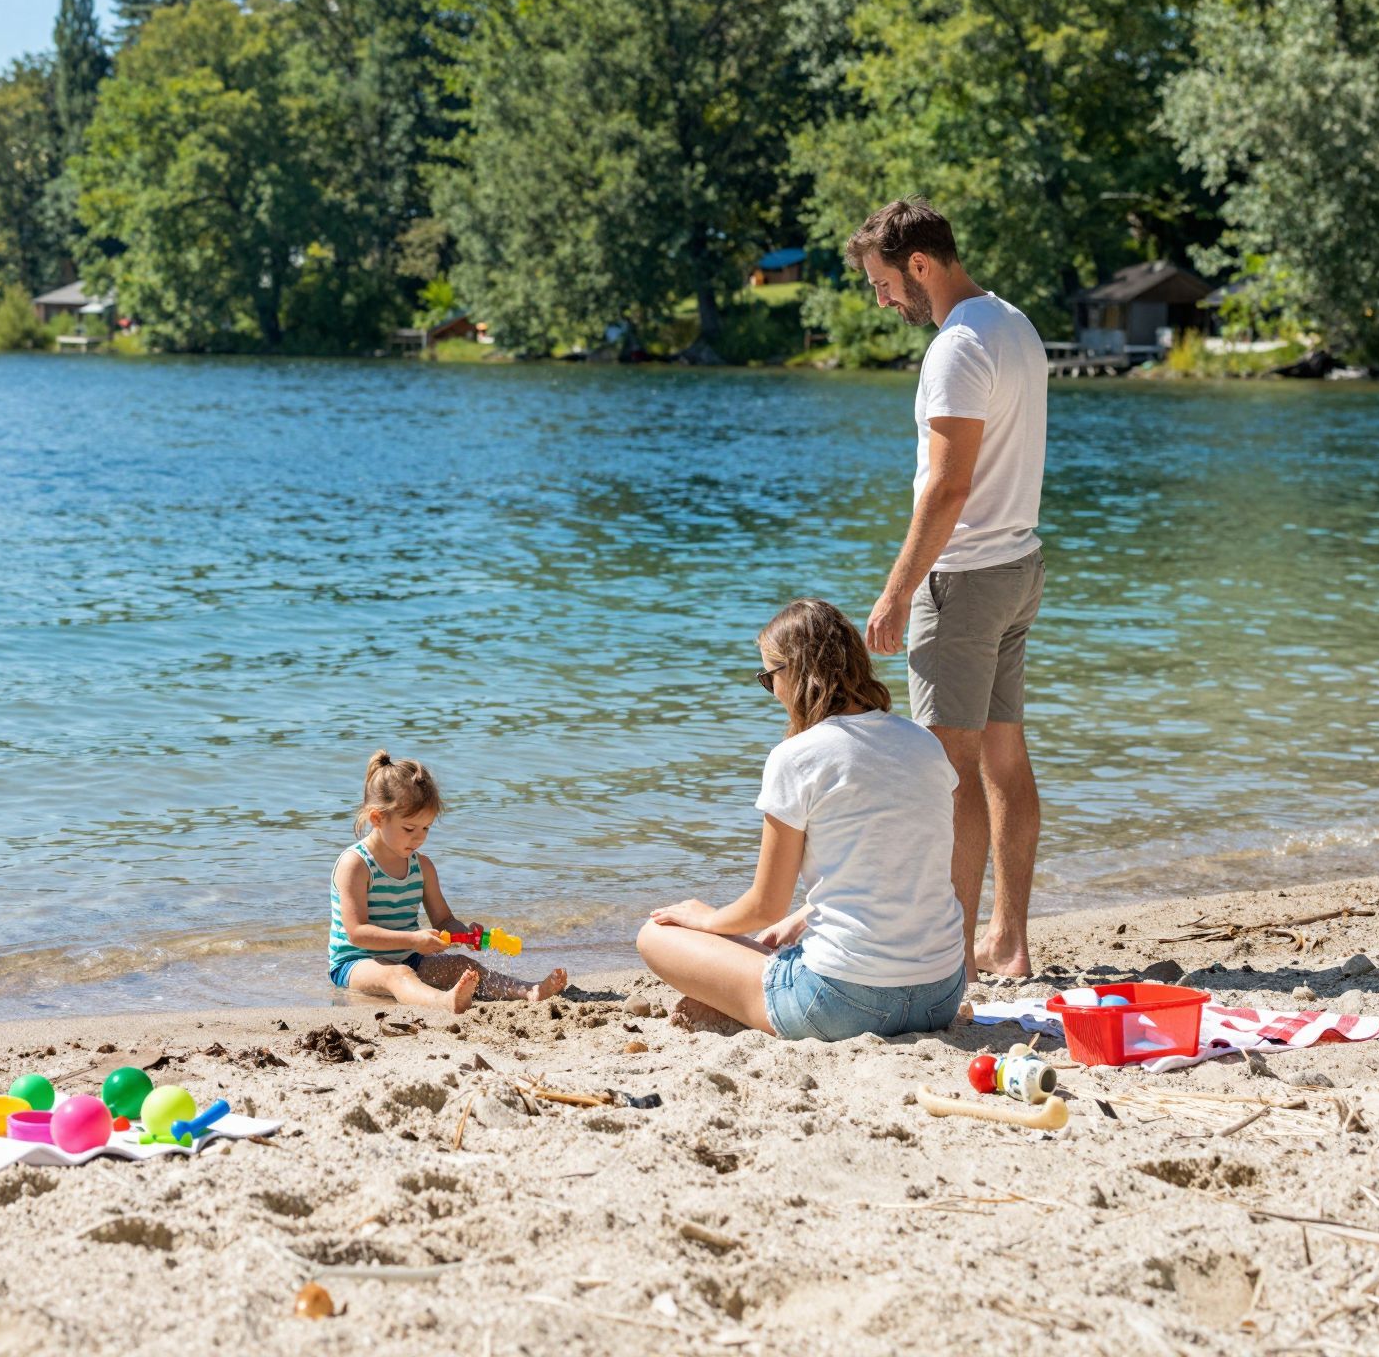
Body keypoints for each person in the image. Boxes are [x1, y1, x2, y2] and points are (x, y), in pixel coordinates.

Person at [848, 198, 1048, 979]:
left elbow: (948, 487)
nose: (883, 299)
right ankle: (1010, 939)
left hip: (963, 578)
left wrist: (899, 590)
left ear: (920, 266)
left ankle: (952, 957)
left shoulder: (958, 346)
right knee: (1003, 752)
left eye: (884, 283)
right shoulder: (1014, 325)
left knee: (951, 771)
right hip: (1017, 566)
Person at [634, 600, 965, 1040]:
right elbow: (899, 862)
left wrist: (706, 919)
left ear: (795, 673)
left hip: (842, 1002)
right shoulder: (924, 744)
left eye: (768, 678)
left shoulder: (797, 757)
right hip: (940, 995)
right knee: (779, 940)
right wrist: (807, 915)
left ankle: (737, 1002)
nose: (772, 691)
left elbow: (765, 905)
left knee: (654, 935)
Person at [328, 750, 568, 1013]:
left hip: (411, 955)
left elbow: (443, 921)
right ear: (377, 818)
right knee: (397, 975)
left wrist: (464, 934)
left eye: (426, 828)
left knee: (463, 966)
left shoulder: (422, 867)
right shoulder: (356, 864)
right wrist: (413, 940)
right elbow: (357, 933)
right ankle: (443, 1001)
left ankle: (528, 990)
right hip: (356, 963)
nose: (419, 838)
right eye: (410, 829)